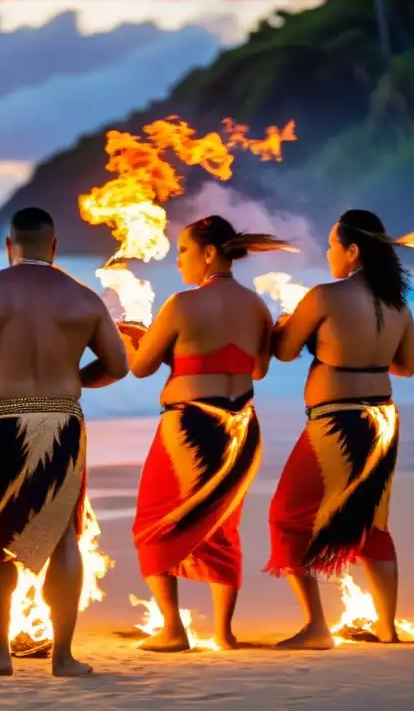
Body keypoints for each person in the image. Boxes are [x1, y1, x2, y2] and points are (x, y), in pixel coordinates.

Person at [0, 206, 128, 678]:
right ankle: (63, 657)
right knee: (64, 536)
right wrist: (73, 379)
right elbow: (118, 366)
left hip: (1, 421)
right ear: (55, 247)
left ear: (9, 246)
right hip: (63, 420)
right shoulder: (82, 298)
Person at [125, 215, 296, 651]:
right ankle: (223, 632)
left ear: (208, 253)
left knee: (155, 520)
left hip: (189, 427)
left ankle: (172, 629)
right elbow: (256, 367)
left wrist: (132, 338)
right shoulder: (257, 306)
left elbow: (141, 367)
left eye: (183, 249)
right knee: (222, 525)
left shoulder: (181, 304)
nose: (178, 259)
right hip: (241, 427)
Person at [265, 209, 414, 649]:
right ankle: (387, 627)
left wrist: (285, 325)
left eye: (333, 244)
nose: (329, 252)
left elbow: (283, 350)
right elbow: (405, 367)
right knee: (371, 522)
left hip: (337, 422)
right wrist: (358, 349)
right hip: (383, 419)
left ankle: (316, 627)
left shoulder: (325, 296)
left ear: (352, 251)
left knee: (287, 517)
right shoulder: (398, 303)